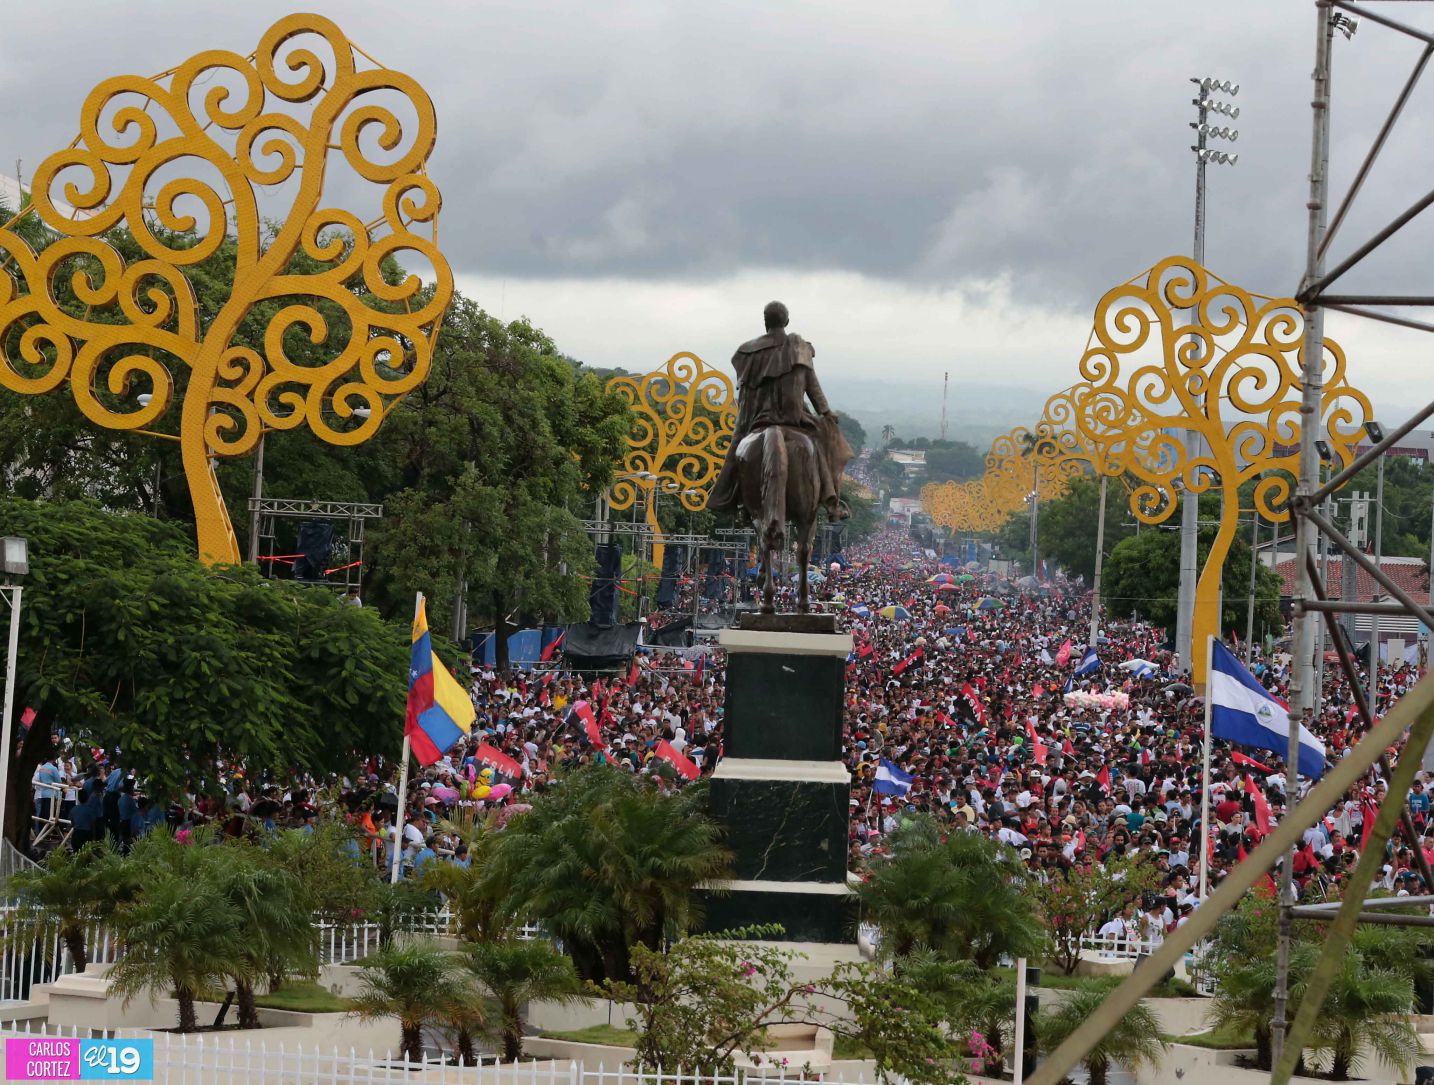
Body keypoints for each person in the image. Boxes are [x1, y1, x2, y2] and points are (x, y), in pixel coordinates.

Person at [708, 301, 851, 521]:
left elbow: (745, 396)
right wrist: (826, 412)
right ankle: (832, 500)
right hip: (795, 419)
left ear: (766, 322)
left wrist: (743, 424)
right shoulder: (799, 347)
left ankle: (734, 498)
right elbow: (813, 387)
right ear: (786, 321)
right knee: (822, 445)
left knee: (738, 451)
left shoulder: (747, 352)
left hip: (757, 419)